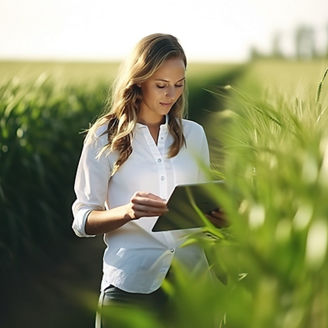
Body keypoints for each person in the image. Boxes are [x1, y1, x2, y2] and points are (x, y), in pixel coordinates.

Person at [71, 33, 226, 327]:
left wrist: (221, 218)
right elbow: (82, 219)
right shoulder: (104, 136)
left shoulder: (194, 135)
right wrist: (127, 212)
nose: (171, 94)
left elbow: (200, 206)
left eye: (178, 85)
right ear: (139, 80)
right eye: (161, 85)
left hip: (192, 285)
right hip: (129, 284)